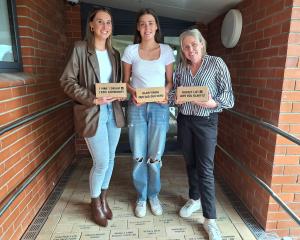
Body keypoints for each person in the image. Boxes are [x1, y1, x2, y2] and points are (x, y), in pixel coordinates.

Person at [60, 7, 125, 227]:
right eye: (100, 22)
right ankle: (95, 202)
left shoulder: (114, 53)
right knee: (101, 161)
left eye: (108, 22)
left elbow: (116, 85)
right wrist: (92, 98)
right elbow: (67, 81)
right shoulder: (80, 49)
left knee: (111, 159)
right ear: (91, 25)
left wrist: (122, 92)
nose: (105, 26)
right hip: (92, 111)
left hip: (113, 112)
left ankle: (104, 198)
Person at [170, 29, 234, 240]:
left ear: (202, 43)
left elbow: (228, 96)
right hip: (185, 120)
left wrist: (212, 102)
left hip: (206, 121)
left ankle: (210, 220)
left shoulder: (216, 63)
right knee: (190, 162)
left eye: (193, 45)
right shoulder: (180, 68)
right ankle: (194, 198)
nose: (190, 50)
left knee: (205, 169)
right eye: (186, 47)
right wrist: (174, 99)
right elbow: (172, 95)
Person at [122, 8, 175, 218]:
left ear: (156, 26)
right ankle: (141, 197)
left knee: (155, 156)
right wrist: (132, 91)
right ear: (138, 27)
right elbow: (125, 82)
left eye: (150, 23)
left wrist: (166, 92)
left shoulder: (167, 50)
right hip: (137, 106)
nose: (147, 27)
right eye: (143, 23)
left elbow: (169, 82)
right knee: (138, 156)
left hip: (159, 108)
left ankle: (153, 195)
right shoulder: (130, 51)